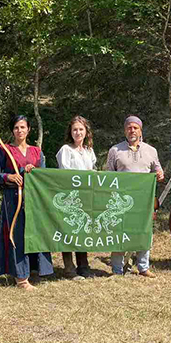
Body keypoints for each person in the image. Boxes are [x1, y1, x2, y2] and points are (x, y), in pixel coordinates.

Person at [0, 114, 53, 290]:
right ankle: (21, 277)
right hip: (13, 200)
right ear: (12, 130)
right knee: (17, 236)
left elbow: (44, 176)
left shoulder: (37, 152)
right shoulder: (4, 150)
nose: (19, 130)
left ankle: (34, 270)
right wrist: (8, 176)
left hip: (34, 200)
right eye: (16, 127)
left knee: (35, 234)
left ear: (29, 129)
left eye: (23, 127)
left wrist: (34, 171)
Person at [105, 116, 164, 277]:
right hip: (121, 201)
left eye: (135, 128)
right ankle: (117, 269)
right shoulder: (115, 151)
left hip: (143, 200)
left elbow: (158, 170)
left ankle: (143, 267)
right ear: (125, 130)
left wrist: (159, 174)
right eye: (129, 127)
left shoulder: (151, 151)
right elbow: (108, 176)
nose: (132, 130)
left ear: (140, 130)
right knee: (119, 232)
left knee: (144, 232)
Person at [56, 115, 96, 279]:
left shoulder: (89, 151)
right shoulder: (65, 150)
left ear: (86, 132)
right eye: (75, 130)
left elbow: (92, 172)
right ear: (70, 132)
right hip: (70, 198)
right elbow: (65, 174)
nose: (78, 132)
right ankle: (69, 268)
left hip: (86, 197)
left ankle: (83, 265)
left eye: (81, 129)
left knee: (83, 230)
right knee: (68, 231)